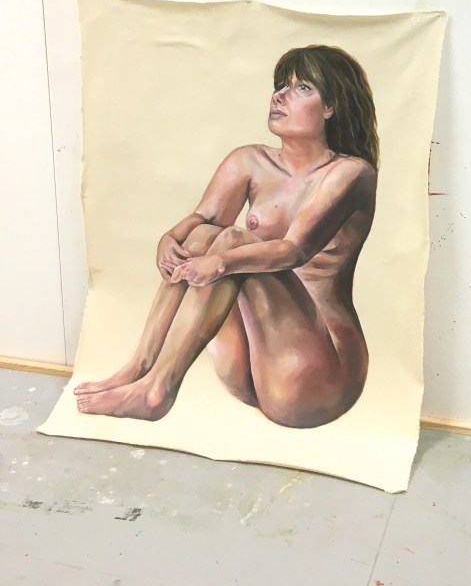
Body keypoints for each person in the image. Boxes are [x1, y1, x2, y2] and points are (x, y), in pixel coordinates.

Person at [74, 44, 378, 429]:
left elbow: (293, 250)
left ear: (331, 107)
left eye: (302, 88)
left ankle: (157, 391)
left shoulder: (350, 173)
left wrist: (220, 262)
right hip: (249, 365)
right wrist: (170, 238)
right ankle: (140, 368)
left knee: (233, 242)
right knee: (202, 235)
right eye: (281, 85)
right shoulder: (250, 160)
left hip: (316, 376)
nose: (279, 96)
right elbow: (202, 220)